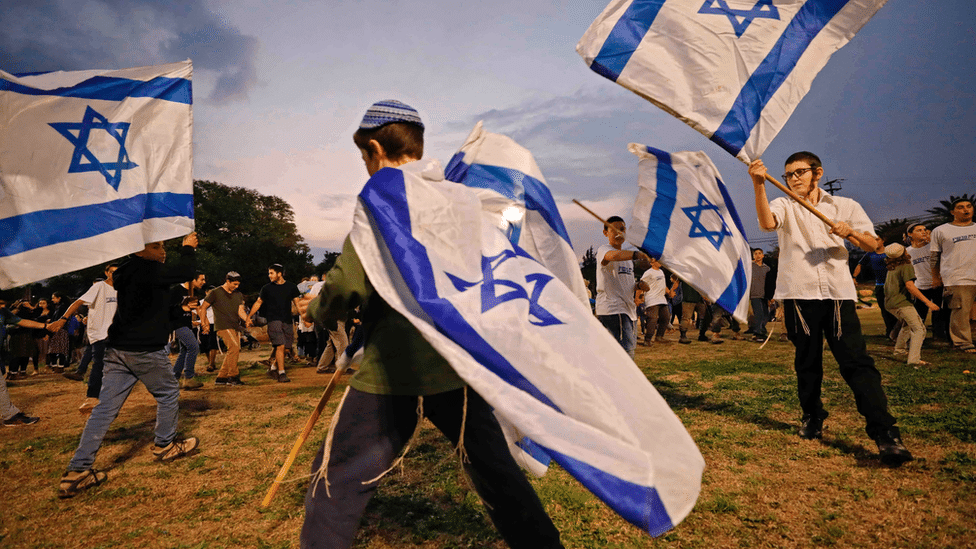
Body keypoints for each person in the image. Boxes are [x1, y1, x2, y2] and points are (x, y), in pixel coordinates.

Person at [300, 100, 564, 549]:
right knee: (495, 473)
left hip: (394, 368)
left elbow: (347, 286)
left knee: (339, 481)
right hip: (453, 363)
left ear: (376, 148)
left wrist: (316, 311)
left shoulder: (382, 194)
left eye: (364, 157)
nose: (366, 167)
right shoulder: (460, 201)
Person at [749, 152, 912, 466]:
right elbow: (767, 222)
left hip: (837, 295)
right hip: (798, 295)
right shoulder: (784, 203)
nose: (793, 179)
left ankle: (885, 433)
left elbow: (873, 245)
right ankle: (812, 416)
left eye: (799, 172)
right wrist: (758, 185)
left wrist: (848, 232)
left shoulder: (845, 206)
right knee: (807, 363)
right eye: (788, 175)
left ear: (817, 172)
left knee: (857, 363)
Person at [58, 235, 201, 498]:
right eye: (156, 246)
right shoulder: (146, 269)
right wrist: (188, 248)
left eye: (163, 246)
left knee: (103, 410)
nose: (163, 252)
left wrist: (177, 306)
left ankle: (77, 471)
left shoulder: (125, 272)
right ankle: (165, 445)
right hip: (144, 349)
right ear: (138, 249)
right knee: (168, 393)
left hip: (118, 349)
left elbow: (150, 305)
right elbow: (186, 271)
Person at [54, 264, 119, 414]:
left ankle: (107, 395)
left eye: (118, 272)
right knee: (99, 363)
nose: (115, 275)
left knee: (118, 364)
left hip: (116, 333)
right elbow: (78, 302)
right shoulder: (99, 287)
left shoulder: (122, 288)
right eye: (112, 272)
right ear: (106, 273)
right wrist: (63, 319)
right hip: (100, 333)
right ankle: (91, 398)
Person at [596, 216, 651, 358]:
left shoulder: (628, 261)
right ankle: (627, 379)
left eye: (622, 229)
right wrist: (636, 254)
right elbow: (612, 256)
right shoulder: (604, 250)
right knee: (626, 352)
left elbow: (626, 283)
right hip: (613, 308)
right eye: (613, 229)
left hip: (628, 310)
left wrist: (638, 285)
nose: (618, 233)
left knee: (621, 351)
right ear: (605, 233)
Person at [929, 198, 976, 353]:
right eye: (961, 207)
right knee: (960, 311)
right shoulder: (941, 230)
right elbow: (934, 256)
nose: (966, 210)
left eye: (969, 206)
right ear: (952, 212)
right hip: (957, 277)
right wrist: (936, 277)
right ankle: (962, 343)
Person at [883, 243, 939, 366]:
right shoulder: (906, 265)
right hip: (901, 303)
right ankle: (914, 360)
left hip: (890, 303)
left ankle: (899, 350)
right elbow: (910, 286)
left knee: (907, 325)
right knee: (919, 329)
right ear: (904, 252)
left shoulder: (892, 266)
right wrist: (928, 302)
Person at [247, 264, 301, 383]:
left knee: (287, 348)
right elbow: (258, 302)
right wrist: (249, 316)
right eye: (269, 273)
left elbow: (298, 304)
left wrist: (304, 317)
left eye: (271, 273)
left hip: (287, 320)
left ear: (279, 274)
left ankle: (273, 367)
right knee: (280, 346)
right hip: (273, 320)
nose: (269, 275)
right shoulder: (266, 288)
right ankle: (282, 373)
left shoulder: (292, 287)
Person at [1, 299, 49, 426]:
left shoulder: (3, 311)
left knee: (1, 386)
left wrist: (45, 326)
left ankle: (9, 415)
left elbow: (22, 322)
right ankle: (9, 415)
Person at [199, 272, 248, 385]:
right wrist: (203, 322)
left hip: (235, 325)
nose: (236, 287)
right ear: (227, 281)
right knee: (234, 347)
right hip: (222, 325)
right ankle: (233, 376)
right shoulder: (215, 292)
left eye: (238, 284)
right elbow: (203, 308)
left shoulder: (238, 294)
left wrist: (247, 319)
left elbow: (240, 311)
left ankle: (221, 377)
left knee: (233, 349)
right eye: (234, 284)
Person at [904, 222, 949, 342]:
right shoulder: (907, 252)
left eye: (924, 229)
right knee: (919, 315)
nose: (923, 231)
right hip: (920, 287)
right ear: (910, 234)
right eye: (919, 230)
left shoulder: (932, 247)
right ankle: (915, 338)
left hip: (937, 284)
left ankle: (939, 336)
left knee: (939, 312)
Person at [853, 239, 898, 338]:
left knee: (896, 309)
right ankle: (890, 332)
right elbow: (860, 265)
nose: (875, 242)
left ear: (883, 240)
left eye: (877, 239)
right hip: (880, 285)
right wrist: (854, 277)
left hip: (894, 285)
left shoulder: (889, 251)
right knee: (884, 309)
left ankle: (899, 332)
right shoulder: (870, 254)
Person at [170, 272, 206, 390]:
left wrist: (204, 322)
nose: (204, 282)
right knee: (194, 347)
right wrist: (181, 308)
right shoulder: (176, 290)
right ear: (192, 280)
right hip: (177, 324)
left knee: (185, 351)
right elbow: (168, 308)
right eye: (201, 279)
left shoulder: (193, 293)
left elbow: (198, 308)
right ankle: (188, 378)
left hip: (187, 324)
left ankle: (173, 380)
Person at [638, 257, 670, 346]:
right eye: (657, 261)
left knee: (666, 318)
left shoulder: (661, 272)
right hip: (652, 299)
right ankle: (647, 340)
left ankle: (659, 337)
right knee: (653, 319)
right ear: (652, 263)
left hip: (662, 299)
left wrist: (669, 292)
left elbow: (664, 285)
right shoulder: (648, 273)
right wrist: (639, 297)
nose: (660, 262)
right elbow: (641, 284)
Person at [748, 248, 772, 341]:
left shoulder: (767, 268)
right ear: (753, 256)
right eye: (756, 254)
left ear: (763, 255)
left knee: (766, 315)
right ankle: (757, 333)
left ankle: (761, 331)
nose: (758, 255)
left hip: (764, 295)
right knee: (759, 314)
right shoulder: (750, 266)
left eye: (759, 253)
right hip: (754, 294)